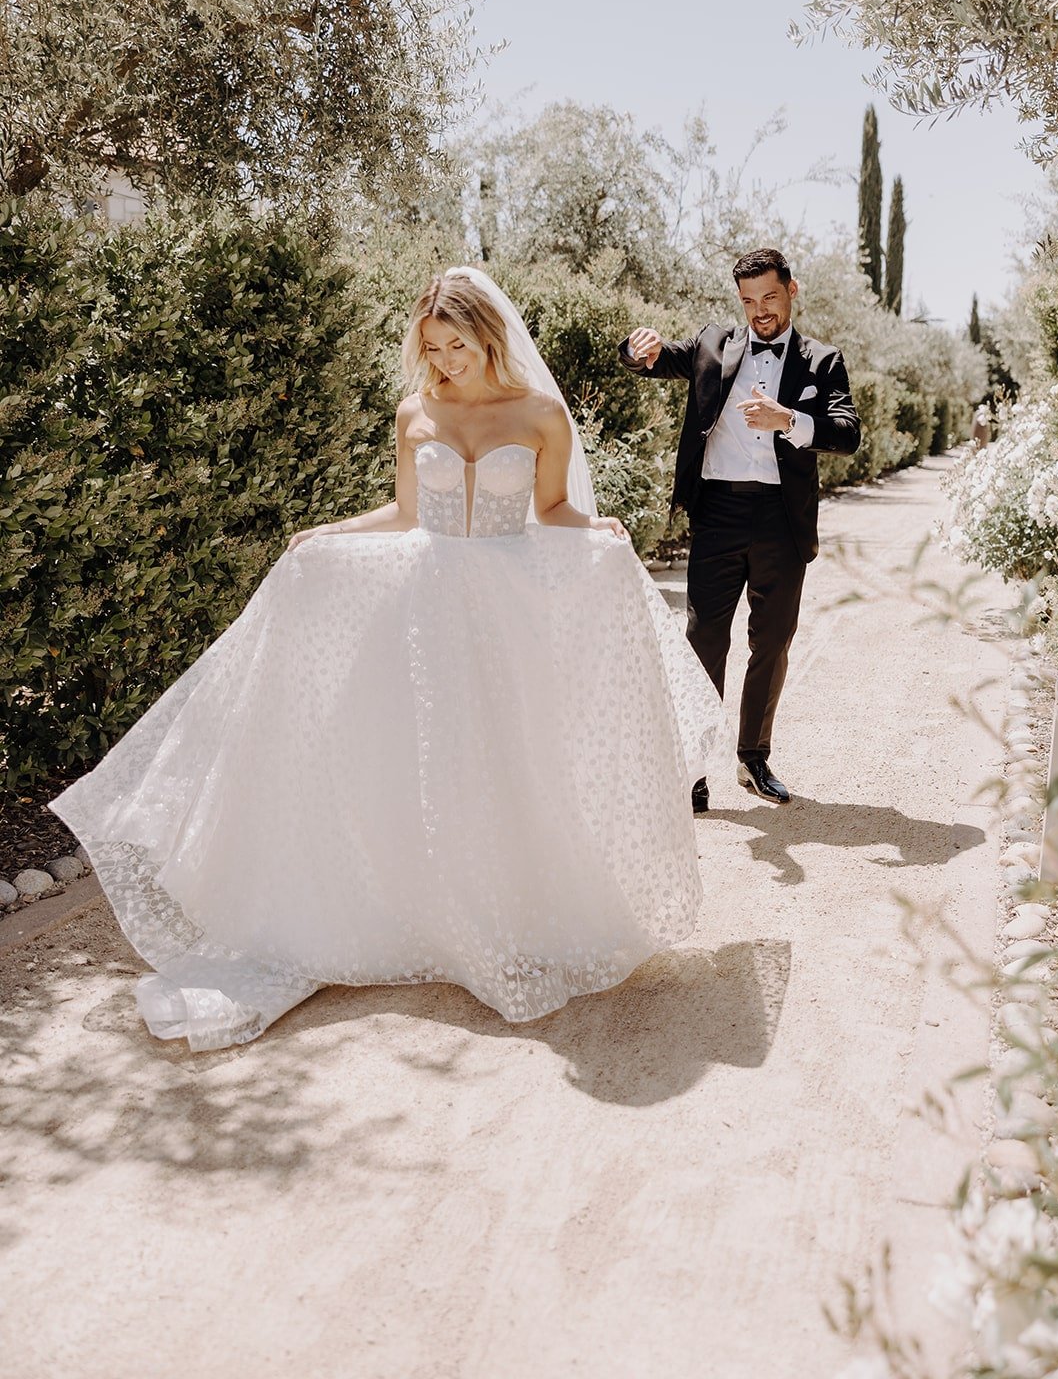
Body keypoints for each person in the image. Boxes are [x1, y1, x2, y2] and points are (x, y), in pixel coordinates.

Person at [49, 267, 727, 1052]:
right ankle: (420, 911)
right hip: (425, 598)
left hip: (502, 610)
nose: (444, 360)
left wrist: (595, 531)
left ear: (488, 337)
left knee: (502, 758)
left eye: (456, 345)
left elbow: (549, 509)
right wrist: (328, 533)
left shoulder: (540, 414)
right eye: (431, 347)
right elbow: (406, 513)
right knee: (418, 758)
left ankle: (503, 912)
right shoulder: (416, 410)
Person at [620, 248, 861, 810]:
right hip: (719, 512)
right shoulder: (713, 345)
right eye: (749, 300)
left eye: (770, 298)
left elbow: (848, 432)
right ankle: (692, 767)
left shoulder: (822, 362)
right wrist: (637, 350)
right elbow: (653, 360)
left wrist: (790, 421)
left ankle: (753, 758)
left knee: (772, 640)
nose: (760, 311)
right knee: (704, 637)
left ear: (792, 290)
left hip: (781, 518)